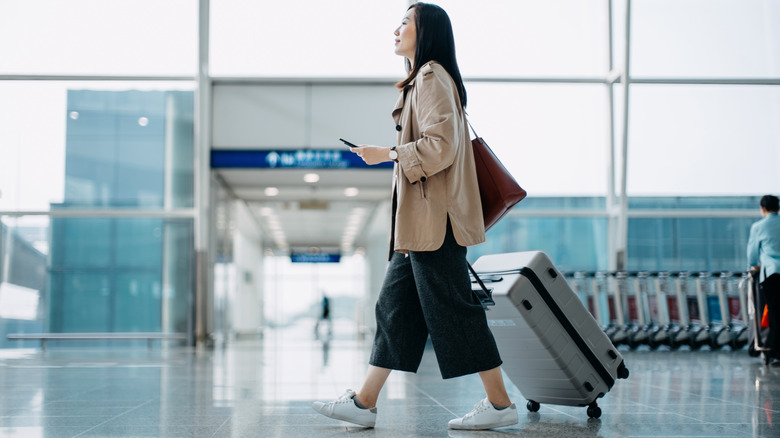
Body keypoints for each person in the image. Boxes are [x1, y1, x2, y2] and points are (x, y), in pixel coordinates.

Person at [312, 3, 517, 430]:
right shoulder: (421, 81)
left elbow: (441, 147)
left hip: (433, 224)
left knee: (454, 310)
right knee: (394, 309)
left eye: (405, 22)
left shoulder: (430, 76)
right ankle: (364, 402)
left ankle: (500, 405)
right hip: (418, 227)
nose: (396, 28)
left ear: (426, 32)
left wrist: (384, 154)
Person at [747, 195, 780, 367]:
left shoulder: (759, 227)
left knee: (774, 312)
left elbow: (752, 255)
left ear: (762, 208)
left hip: (772, 273)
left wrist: (754, 266)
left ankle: (775, 352)